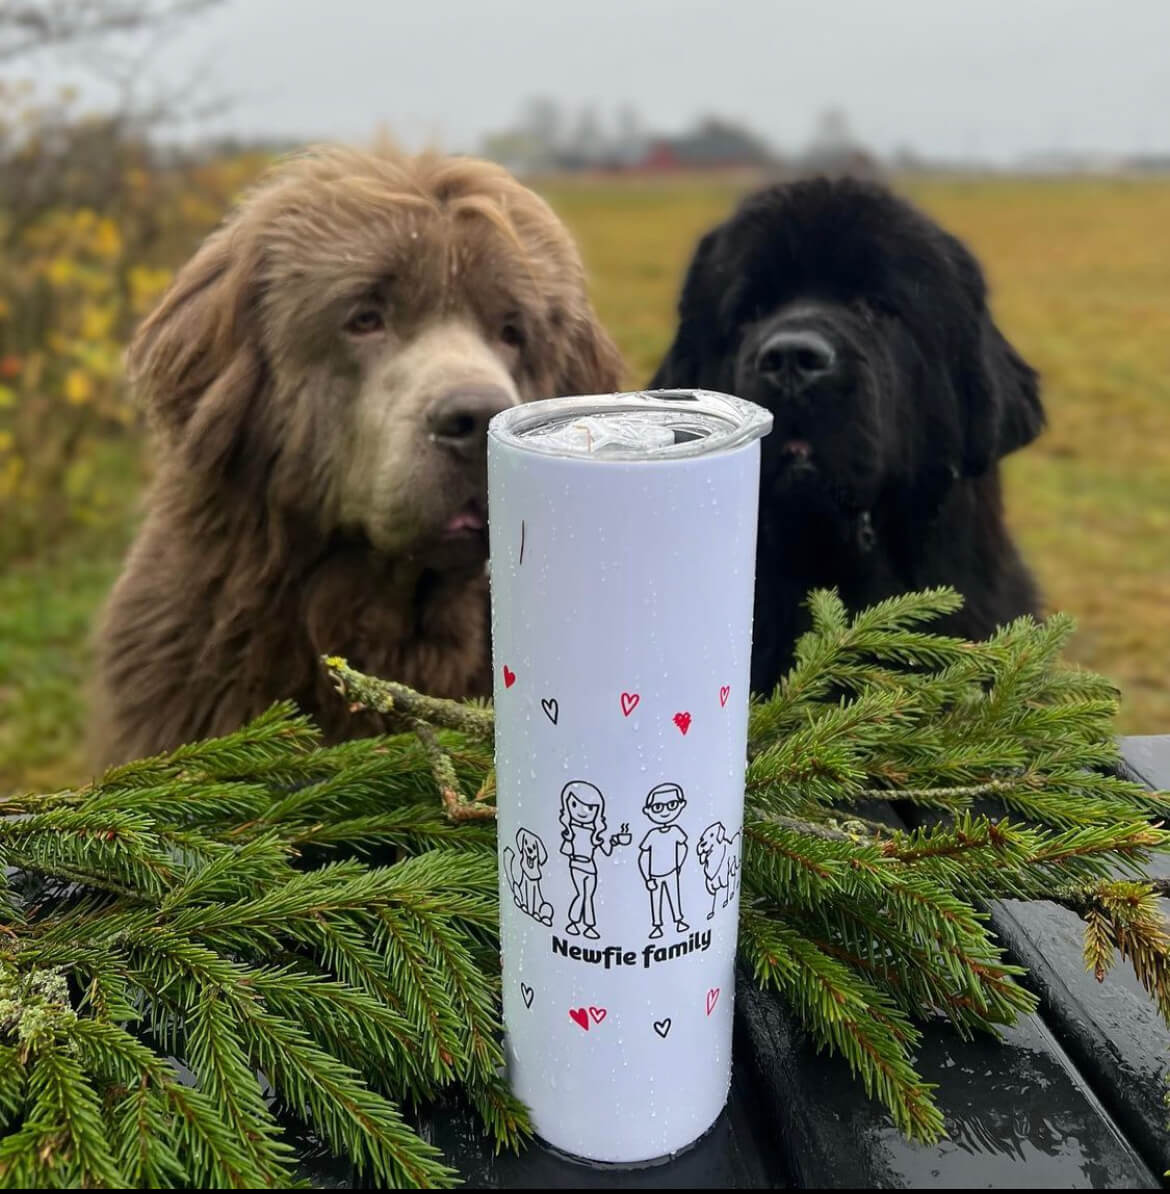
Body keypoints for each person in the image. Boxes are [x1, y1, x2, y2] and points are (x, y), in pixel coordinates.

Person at [559, 780, 630, 939]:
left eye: (590, 808)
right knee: (581, 894)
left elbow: (606, 851)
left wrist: (615, 840)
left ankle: (589, 926)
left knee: (588, 895)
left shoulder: (593, 833)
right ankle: (574, 923)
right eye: (575, 805)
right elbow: (566, 851)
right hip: (577, 865)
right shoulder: (572, 831)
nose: (583, 811)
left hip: (590, 868)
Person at [638, 782, 690, 939]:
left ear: (681, 805)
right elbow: (643, 856)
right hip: (655, 875)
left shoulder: (675, 831)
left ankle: (679, 921)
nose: (666, 811)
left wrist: (679, 864)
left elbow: (684, 847)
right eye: (658, 807)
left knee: (675, 897)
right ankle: (657, 926)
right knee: (656, 900)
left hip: (672, 872)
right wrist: (647, 878)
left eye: (672, 804)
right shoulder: (652, 835)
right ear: (648, 811)